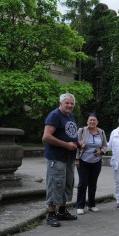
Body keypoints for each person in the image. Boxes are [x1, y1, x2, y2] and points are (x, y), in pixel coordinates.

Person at [42, 93, 79, 227]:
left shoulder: (71, 116)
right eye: (67, 103)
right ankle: (51, 215)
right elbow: (46, 137)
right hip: (56, 157)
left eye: (71, 103)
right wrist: (66, 145)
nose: (69, 105)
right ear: (61, 103)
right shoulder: (54, 115)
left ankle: (62, 212)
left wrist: (77, 143)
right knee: (55, 183)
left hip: (69, 157)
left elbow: (70, 134)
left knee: (67, 183)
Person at [75, 113, 108, 215]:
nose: (92, 122)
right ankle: (80, 206)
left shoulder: (101, 132)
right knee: (82, 183)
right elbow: (76, 145)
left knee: (93, 184)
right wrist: (77, 158)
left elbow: (105, 146)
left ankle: (91, 205)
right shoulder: (82, 131)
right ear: (87, 121)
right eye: (90, 120)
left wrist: (101, 152)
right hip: (83, 161)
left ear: (97, 122)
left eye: (94, 120)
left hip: (96, 162)